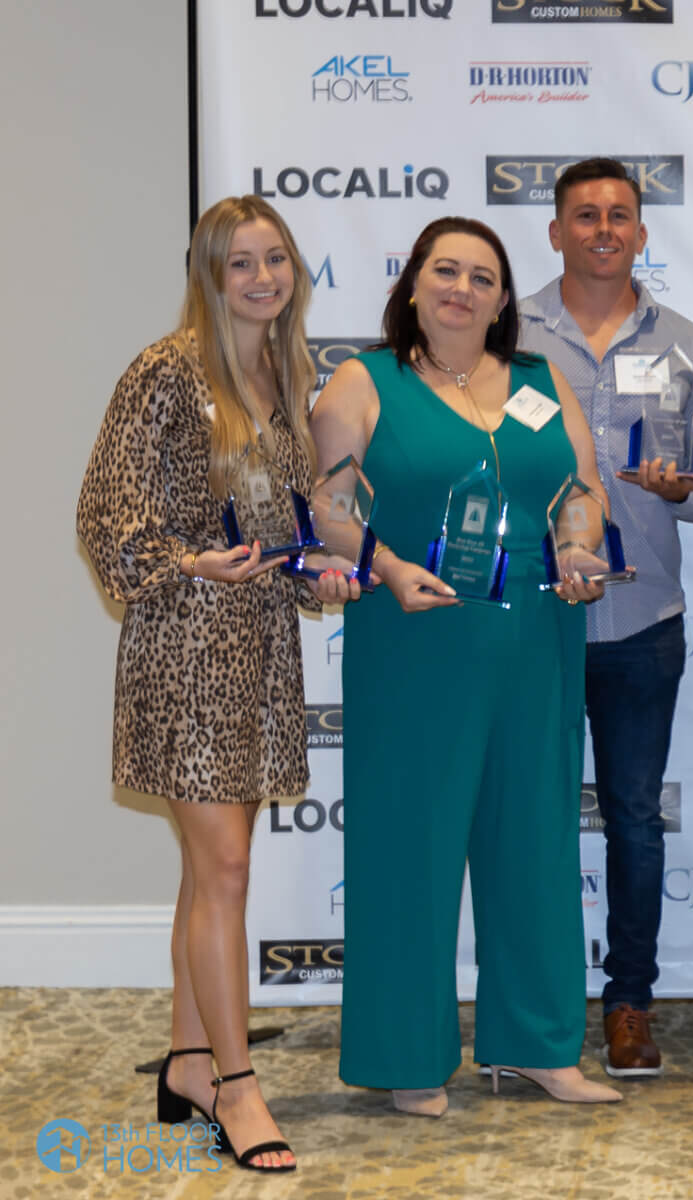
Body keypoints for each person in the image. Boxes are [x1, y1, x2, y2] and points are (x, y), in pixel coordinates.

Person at [77, 195, 362, 1172]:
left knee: (208, 872)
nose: (261, 279)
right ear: (208, 274)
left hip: (257, 649)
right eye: (239, 263)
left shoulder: (283, 377)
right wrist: (192, 564)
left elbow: (278, 526)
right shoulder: (165, 371)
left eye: (274, 259)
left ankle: (191, 1062)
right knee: (228, 871)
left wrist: (314, 572)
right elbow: (106, 515)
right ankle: (237, 1088)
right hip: (182, 651)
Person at [311, 216, 619, 1115]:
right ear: (412, 285)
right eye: (444, 271)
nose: (462, 288)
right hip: (415, 641)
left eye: (482, 276)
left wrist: (577, 542)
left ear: (501, 299)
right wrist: (387, 567)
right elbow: (329, 506)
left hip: (536, 638)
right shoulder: (363, 382)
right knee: (411, 844)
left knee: (533, 841)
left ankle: (538, 1046)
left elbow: (582, 488)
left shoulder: (537, 379)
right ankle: (406, 1055)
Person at [518, 158, 693, 1079]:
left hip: (644, 621)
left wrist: (684, 491)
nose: (604, 228)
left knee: (635, 821)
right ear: (556, 231)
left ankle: (631, 1003)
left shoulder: (689, 344)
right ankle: (538, 1006)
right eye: (584, 214)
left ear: (643, 234)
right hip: (533, 621)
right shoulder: (505, 340)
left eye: (620, 216)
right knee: (528, 819)